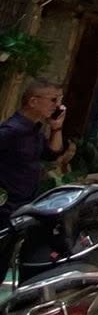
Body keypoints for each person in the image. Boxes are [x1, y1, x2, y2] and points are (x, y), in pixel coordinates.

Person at [0, 78, 68, 226]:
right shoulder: (11, 130)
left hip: (25, 205)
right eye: (53, 100)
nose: (57, 106)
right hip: (7, 208)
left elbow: (52, 154)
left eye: (59, 100)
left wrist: (56, 127)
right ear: (33, 102)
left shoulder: (34, 130)